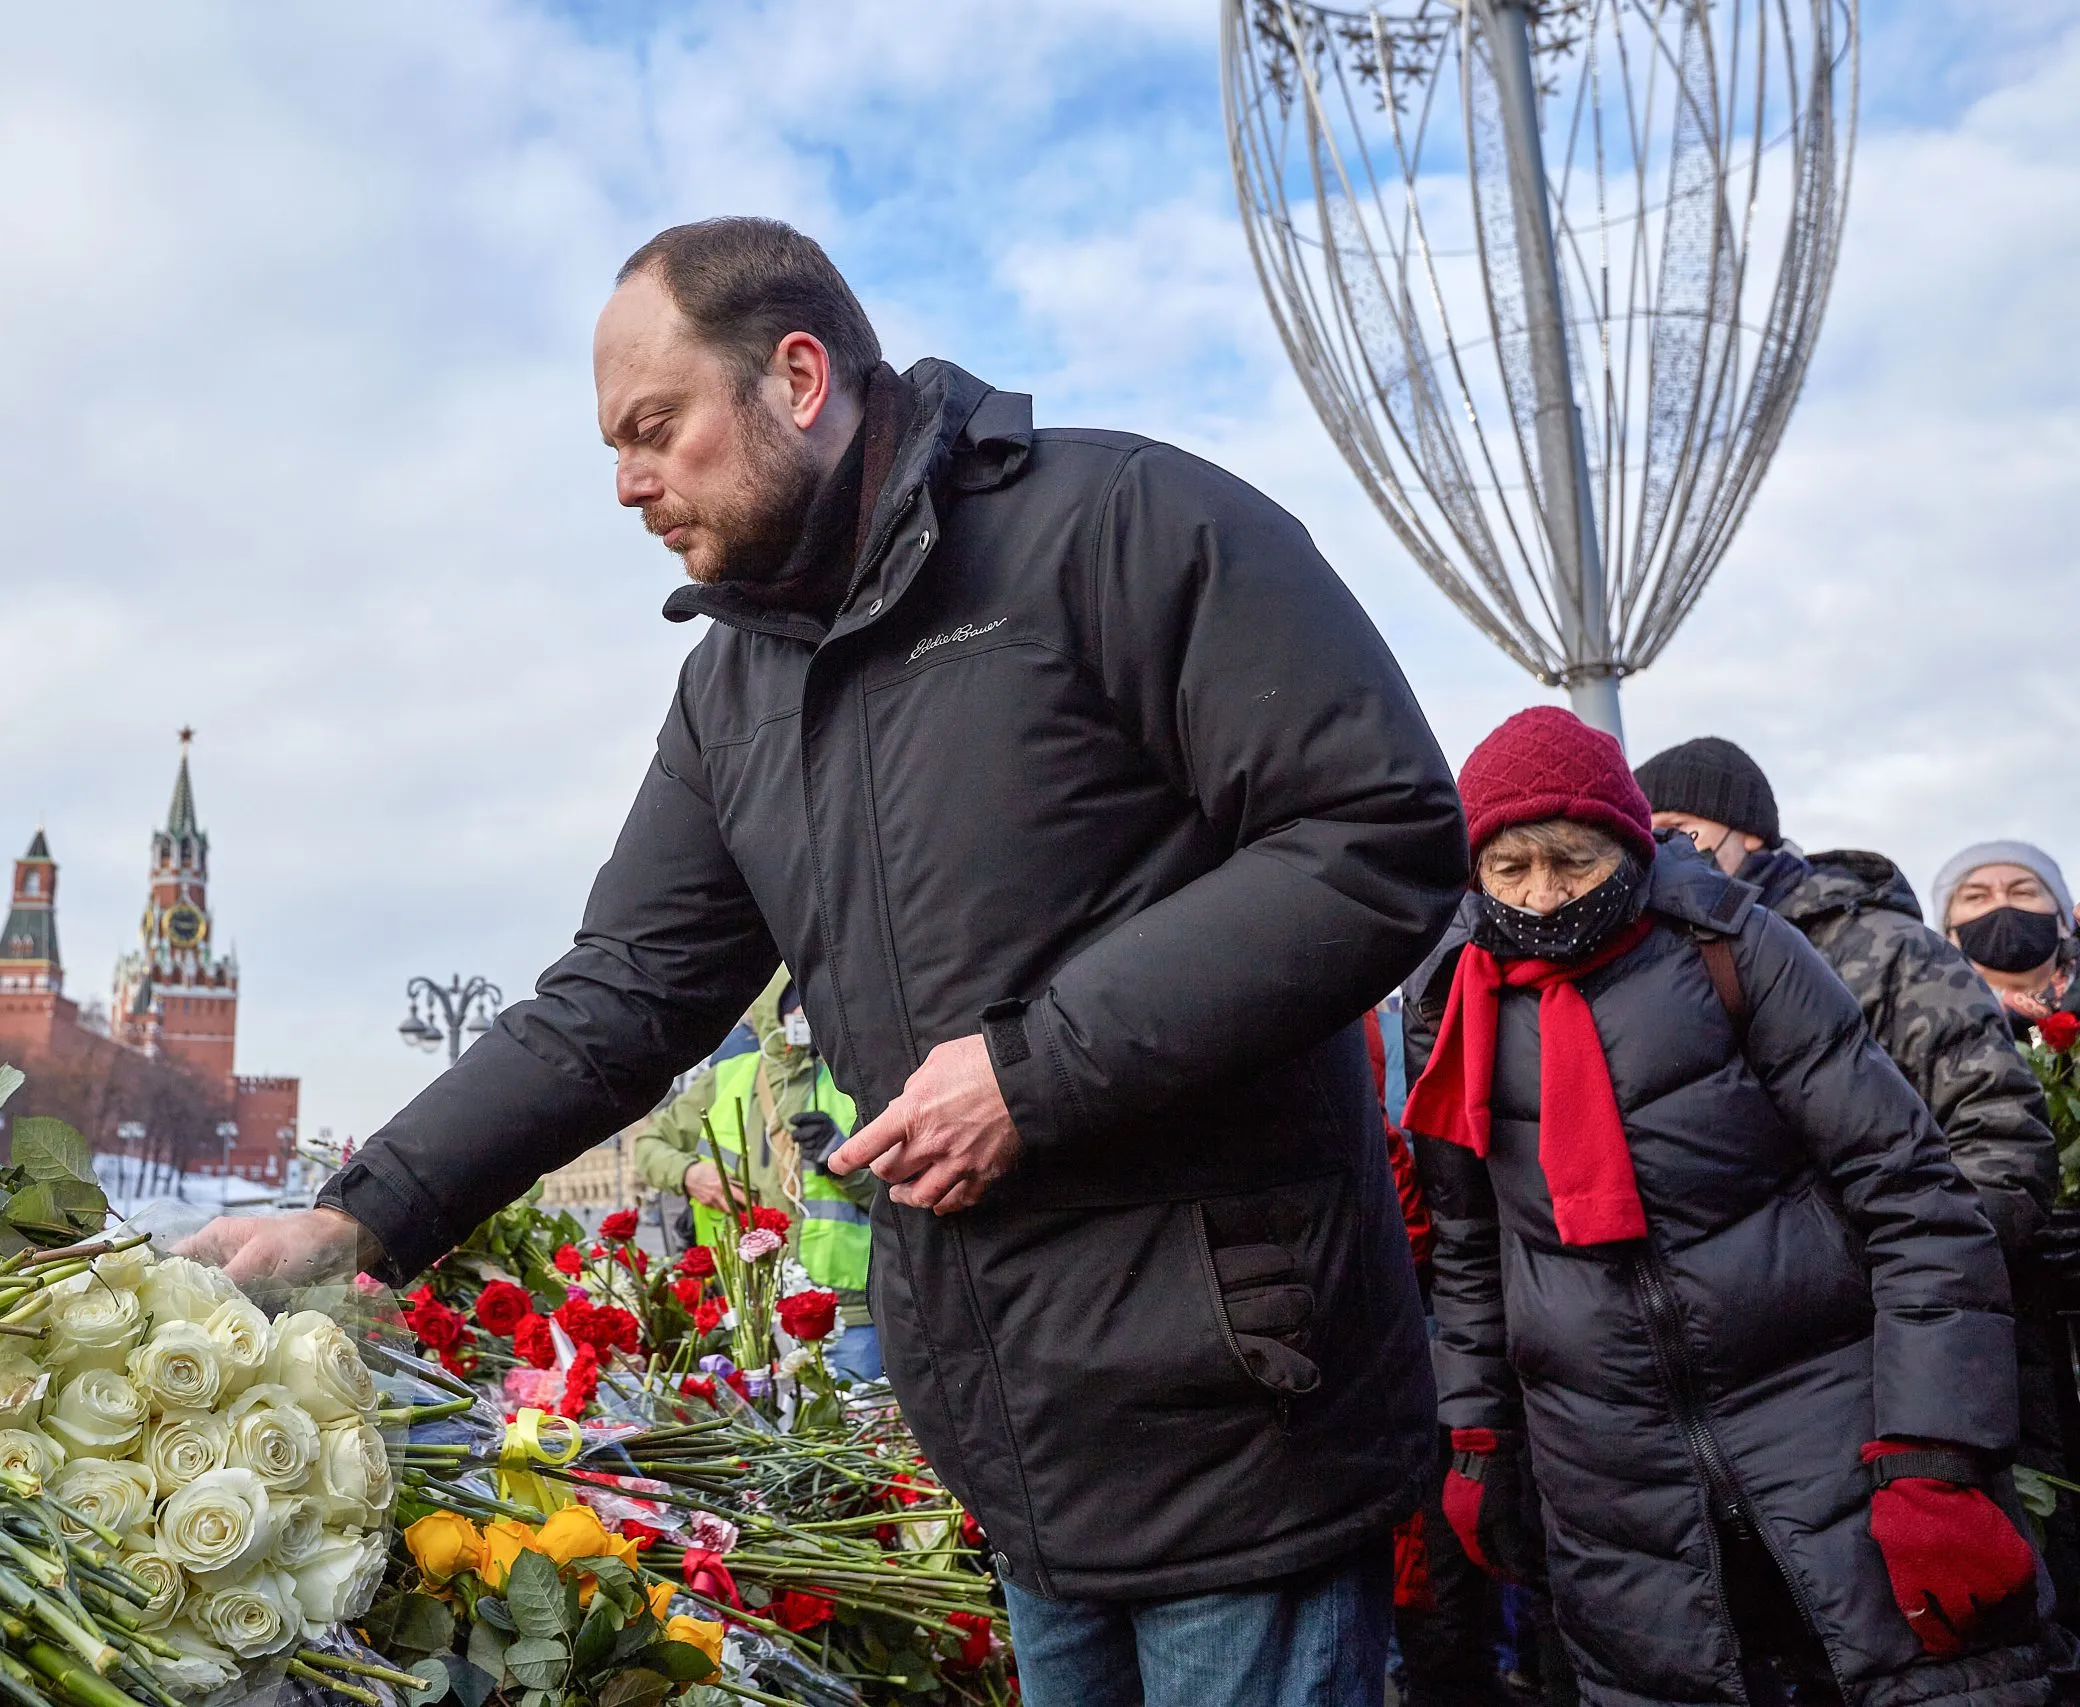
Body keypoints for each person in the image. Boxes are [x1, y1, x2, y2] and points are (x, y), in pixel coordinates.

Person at [183, 215, 1468, 1704]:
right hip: (1017, 1444)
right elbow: (622, 993)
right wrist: (362, 1217)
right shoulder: (733, 693)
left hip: (1240, 1408)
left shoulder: (1120, 523)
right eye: (614, 448)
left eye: (653, 428)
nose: (626, 484)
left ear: (797, 378)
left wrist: (1032, 1072)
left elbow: (1375, 836)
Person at [1405, 706, 2051, 1707]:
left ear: (1626, 845)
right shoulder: (1453, 1004)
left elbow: (1913, 1197)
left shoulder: (1735, 948)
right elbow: (1471, 1253)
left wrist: (1933, 1452)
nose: (1542, 895)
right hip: (1615, 1497)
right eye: (1510, 868)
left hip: (1839, 1438)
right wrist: (1475, 1435)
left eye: (1571, 862)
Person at [1634, 737, 2055, 1255]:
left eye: (1677, 829)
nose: (1662, 850)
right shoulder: (1656, 970)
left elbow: (2000, 1142)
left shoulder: (1888, 951)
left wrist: (1912, 1271)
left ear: (1750, 834)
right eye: (1643, 835)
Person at [634, 967, 883, 1380]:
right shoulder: (725, 1079)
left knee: (853, 1415)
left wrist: (843, 1160)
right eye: (797, 1005)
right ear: (773, 1012)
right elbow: (648, 1146)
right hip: (748, 1310)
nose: (807, 1016)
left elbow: (898, 1193)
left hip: (844, 1313)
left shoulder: (856, 1082)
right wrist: (691, 1174)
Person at [1933, 842, 2080, 1038]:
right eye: (1976, 896)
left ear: (2063, 920)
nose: (2002, 903)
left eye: (2023, 892)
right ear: (1949, 932)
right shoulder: (1933, 1023)